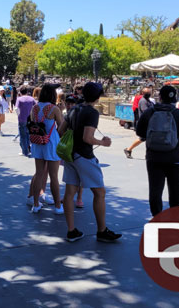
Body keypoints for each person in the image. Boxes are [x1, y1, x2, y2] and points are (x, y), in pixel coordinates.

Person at [59, 82, 122, 243]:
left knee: (69, 192)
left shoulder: (73, 109)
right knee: (99, 193)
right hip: (84, 156)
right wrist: (103, 142)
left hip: (70, 155)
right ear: (97, 96)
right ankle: (102, 231)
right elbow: (87, 138)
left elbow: (60, 131)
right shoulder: (92, 112)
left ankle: (71, 230)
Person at [136, 85, 179, 216]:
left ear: (160, 97)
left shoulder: (149, 112)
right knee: (175, 190)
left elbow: (140, 132)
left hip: (154, 157)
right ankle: (174, 218)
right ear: (175, 98)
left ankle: (157, 217)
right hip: (176, 158)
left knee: (155, 190)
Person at [29, 84, 65, 215]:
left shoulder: (34, 108)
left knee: (39, 173)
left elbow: (34, 123)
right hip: (51, 143)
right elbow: (61, 127)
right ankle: (57, 206)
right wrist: (61, 111)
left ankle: (36, 204)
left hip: (38, 143)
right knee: (54, 176)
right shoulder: (54, 109)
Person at [124, 87, 153, 159]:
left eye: (149, 92)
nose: (149, 94)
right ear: (143, 93)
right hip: (145, 123)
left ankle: (148, 154)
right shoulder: (143, 101)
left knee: (148, 139)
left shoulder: (149, 101)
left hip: (150, 123)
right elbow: (146, 111)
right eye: (147, 93)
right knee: (143, 138)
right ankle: (128, 149)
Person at [15, 86, 36, 156]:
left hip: (22, 119)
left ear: (20, 92)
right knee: (28, 135)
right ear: (27, 92)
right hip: (30, 119)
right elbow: (36, 107)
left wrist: (18, 115)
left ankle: (25, 151)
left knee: (23, 136)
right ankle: (30, 149)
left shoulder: (19, 99)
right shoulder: (31, 99)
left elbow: (16, 109)